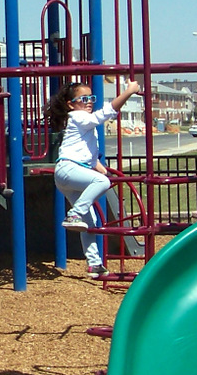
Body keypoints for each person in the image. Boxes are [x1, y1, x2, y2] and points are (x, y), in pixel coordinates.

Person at [46, 78, 142, 278]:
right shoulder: (77, 116)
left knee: (90, 221)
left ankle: (94, 263)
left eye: (91, 98)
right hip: (68, 169)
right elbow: (104, 114)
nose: (89, 102)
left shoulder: (83, 124)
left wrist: (100, 167)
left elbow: (87, 154)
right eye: (83, 99)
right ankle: (74, 214)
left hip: (70, 173)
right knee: (101, 183)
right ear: (71, 104)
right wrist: (128, 92)